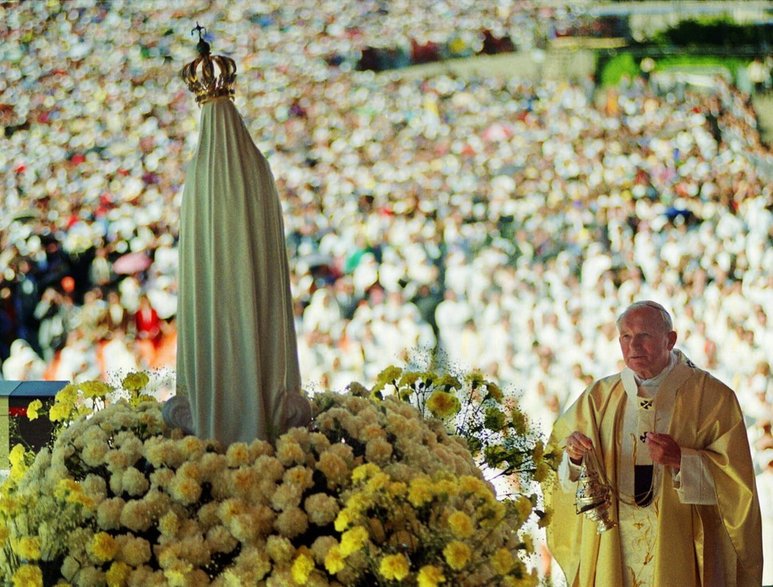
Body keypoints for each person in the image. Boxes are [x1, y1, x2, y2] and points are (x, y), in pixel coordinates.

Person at [544, 300, 762, 586]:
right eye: (626, 336)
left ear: (670, 339)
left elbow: (737, 484)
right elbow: (556, 469)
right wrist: (573, 457)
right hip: (615, 544)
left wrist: (683, 459)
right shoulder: (598, 398)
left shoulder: (712, 397)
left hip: (678, 544)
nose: (633, 346)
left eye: (644, 336)